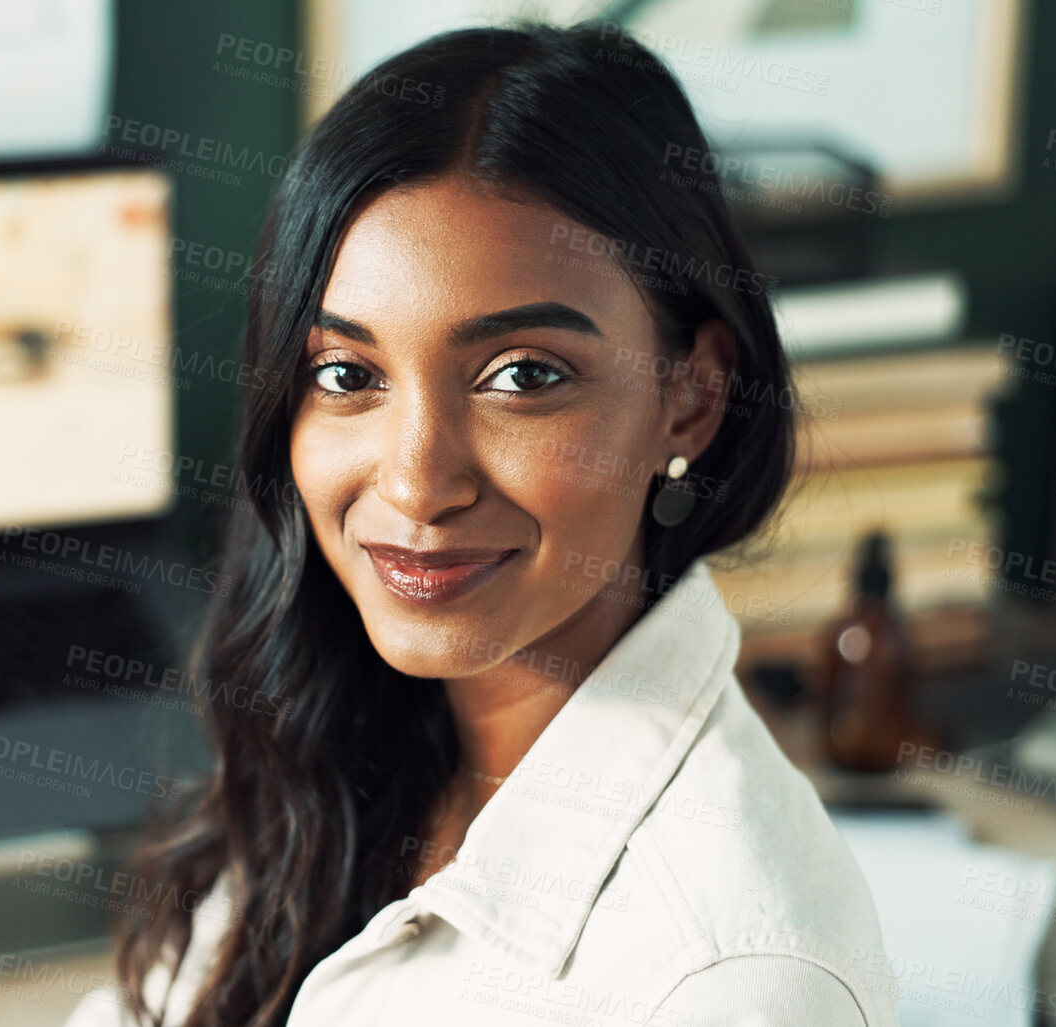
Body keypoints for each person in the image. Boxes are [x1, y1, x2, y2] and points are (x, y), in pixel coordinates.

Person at [63, 19, 896, 1027]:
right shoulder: (336, 739)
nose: (417, 484)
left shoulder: (731, 986)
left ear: (692, 397)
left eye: (523, 377)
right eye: (347, 374)